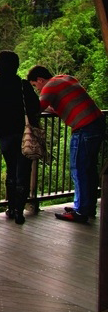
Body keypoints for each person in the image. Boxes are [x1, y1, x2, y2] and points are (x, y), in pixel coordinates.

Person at [27, 65, 105, 222]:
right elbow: (62, 104)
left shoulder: (49, 87)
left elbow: (36, 108)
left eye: (35, 86)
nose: (37, 90)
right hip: (98, 123)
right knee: (89, 168)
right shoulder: (65, 78)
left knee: (79, 168)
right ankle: (87, 207)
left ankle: (81, 211)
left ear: (40, 80)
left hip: (83, 127)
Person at [0, 51, 40, 225]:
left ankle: (10, 207)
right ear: (16, 65)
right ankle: (19, 212)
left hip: (4, 133)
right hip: (24, 132)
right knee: (23, 171)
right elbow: (35, 106)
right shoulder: (23, 85)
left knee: (11, 169)